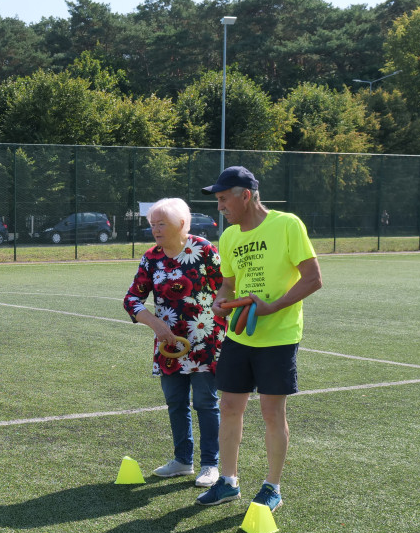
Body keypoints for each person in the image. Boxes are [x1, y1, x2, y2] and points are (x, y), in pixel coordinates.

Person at [195, 166, 322, 513]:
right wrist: (221, 302)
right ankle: (228, 482)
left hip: (278, 337)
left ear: (245, 195)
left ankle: (272, 487)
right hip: (239, 334)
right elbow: (229, 284)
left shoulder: (287, 224)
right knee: (230, 407)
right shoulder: (230, 237)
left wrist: (273, 307)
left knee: (271, 412)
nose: (219, 207)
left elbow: (313, 279)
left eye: (223, 199)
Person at [123, 198, 225, 488]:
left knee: (206, 403)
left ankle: (210, 464)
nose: (155, 229)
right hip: (169, 347)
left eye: (161, 224)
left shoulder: (204, 250)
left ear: (181, 224)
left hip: (205, 342)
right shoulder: (151, 258)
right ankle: (182, 460)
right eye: (152, 224)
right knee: (175, 402)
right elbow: (132, 299)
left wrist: (222, 313)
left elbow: (227, 287)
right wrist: (156, 325)